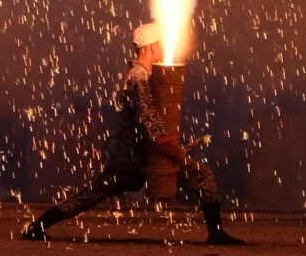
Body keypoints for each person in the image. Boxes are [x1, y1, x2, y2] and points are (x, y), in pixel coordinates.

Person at [21, 23, 242, 244]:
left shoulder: (142, 76)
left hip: (135, 156)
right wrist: (174, 150)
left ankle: (36, 228)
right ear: (151, 47)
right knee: (202, 177)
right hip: (137, 159)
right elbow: (149, 121)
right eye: (161, 44)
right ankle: (216, 234)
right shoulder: (139, 78)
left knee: (92, 195)